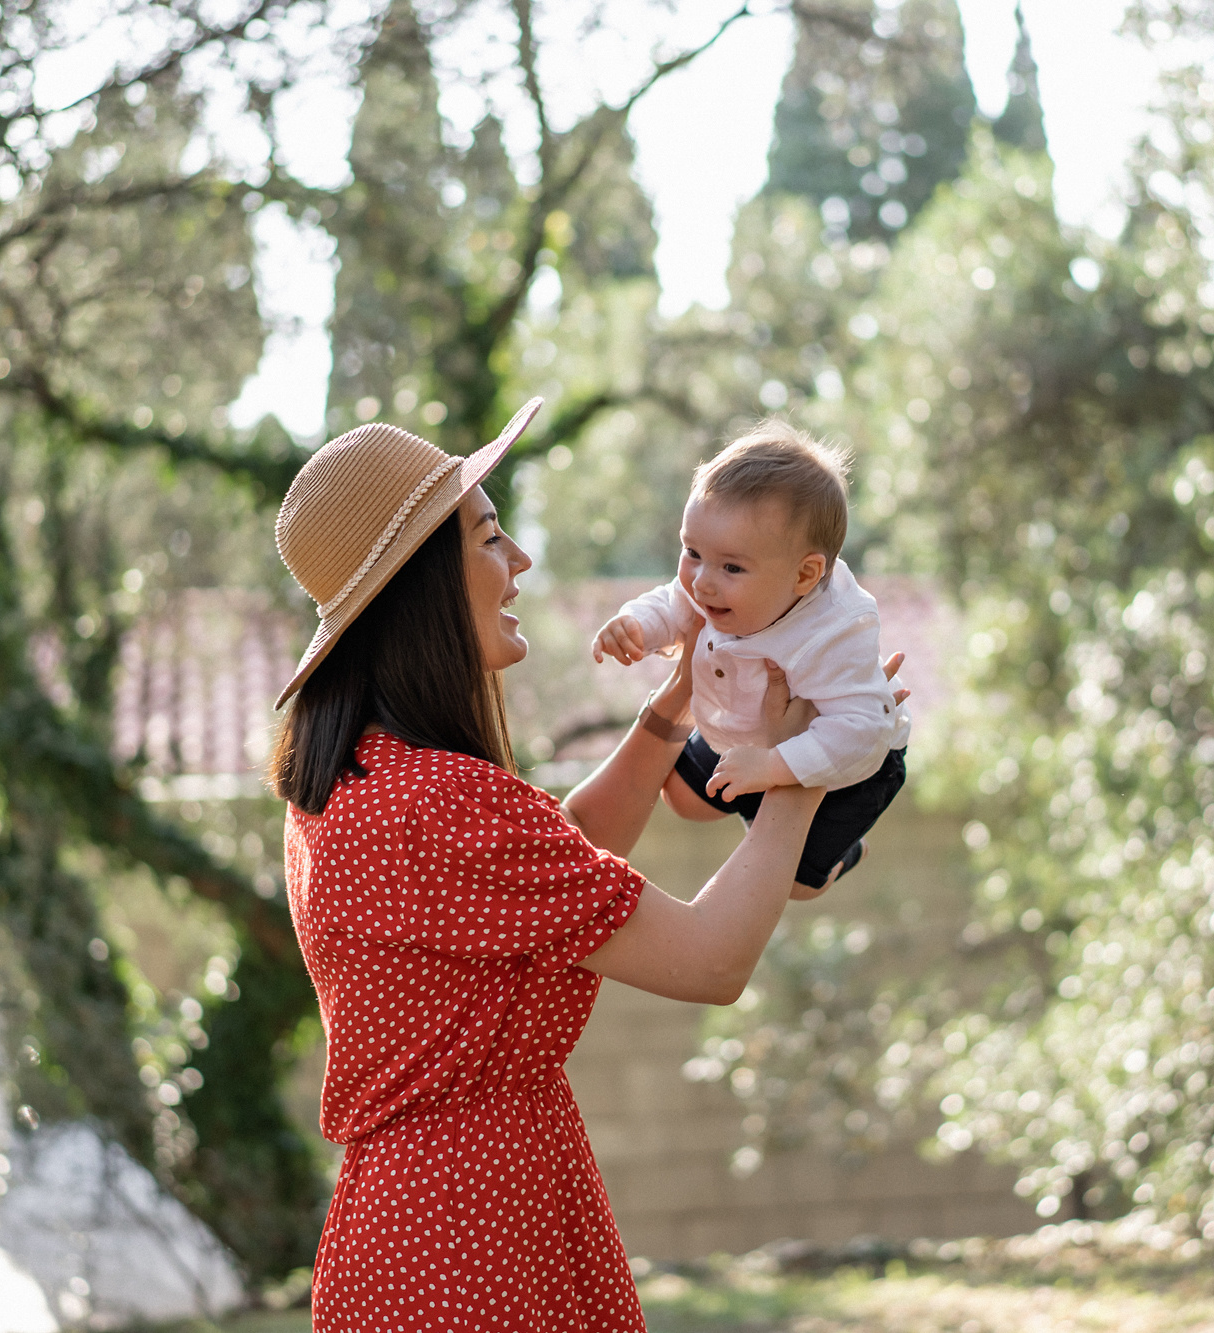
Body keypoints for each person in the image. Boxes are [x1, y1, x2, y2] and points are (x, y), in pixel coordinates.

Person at [266, 400, 902, 1333]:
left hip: (435, 1216)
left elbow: (559, 853)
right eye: (490, 536)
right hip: (470, 1235)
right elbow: (711, 959)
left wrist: (676, 701)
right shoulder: (440, 802)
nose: (520, 558)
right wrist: (802, 762)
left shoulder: (362, 779)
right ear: (421, 582)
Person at [590, 422, 909, 891]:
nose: (702, 581)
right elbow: (672, 602)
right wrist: (635, 625)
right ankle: (756, 806)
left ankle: (844, 854)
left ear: (805, 575)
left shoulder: (836, 634)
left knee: (795, 885)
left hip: (846, 768)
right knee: (682, 796)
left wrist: (776, 768)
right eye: (691, 551)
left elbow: (861, 731)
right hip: (745, 730)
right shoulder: (709, 585)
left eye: (732, 567)